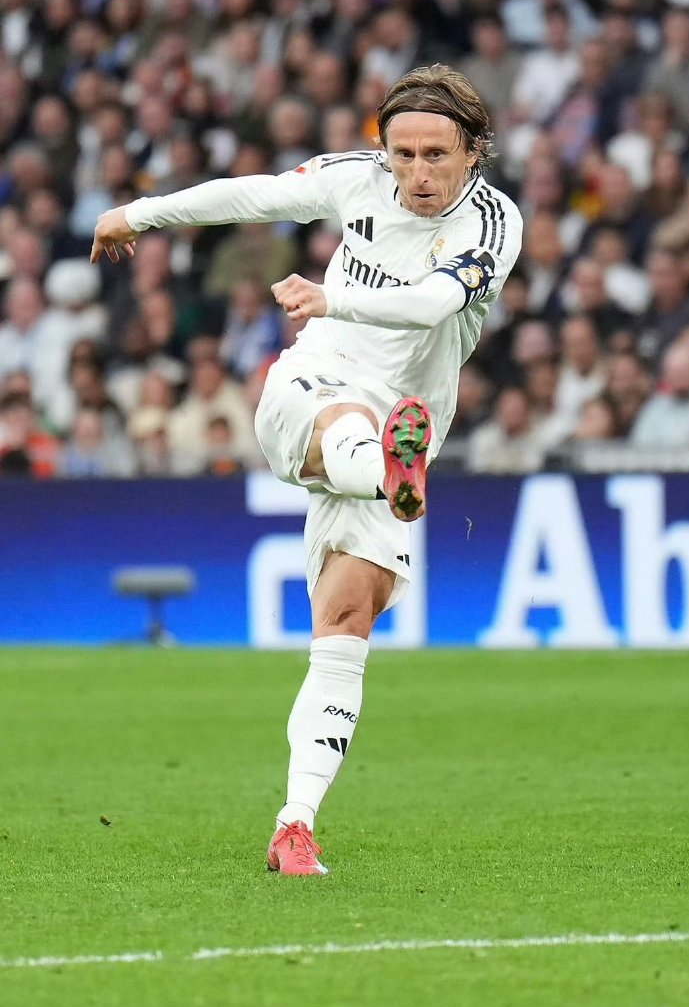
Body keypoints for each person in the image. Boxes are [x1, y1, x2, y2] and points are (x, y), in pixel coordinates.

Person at [91, 66, 523, 876]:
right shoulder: (354, 180)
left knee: (346, 625)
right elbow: (250, 195)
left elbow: (434, 304)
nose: (419, 174)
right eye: (404, 153)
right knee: (349, 425)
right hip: (314, 388)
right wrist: (136, 212)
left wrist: (335, 298)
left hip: (407, 412)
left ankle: (295, 825)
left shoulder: (494, 225)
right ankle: (381, 467)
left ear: (474, 151)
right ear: (383, 148)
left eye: (438, 154)